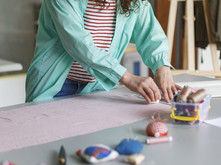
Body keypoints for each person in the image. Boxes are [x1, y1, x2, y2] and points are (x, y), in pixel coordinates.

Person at [25, 0, 181, 103]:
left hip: (98, 88)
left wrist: (162, 68)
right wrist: (126, 77)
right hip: (56, 87)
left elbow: (149, 33)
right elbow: (79, 45)